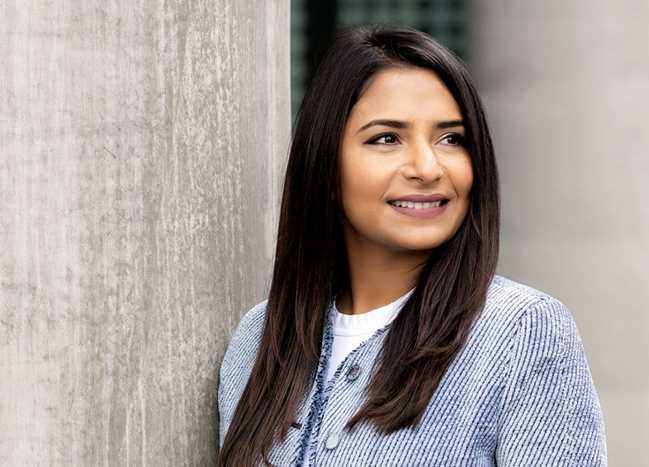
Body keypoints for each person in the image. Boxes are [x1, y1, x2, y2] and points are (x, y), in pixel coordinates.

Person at [217, 24, 607, 467]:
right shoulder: (258, 338)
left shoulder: (520, 332)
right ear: (324, 163)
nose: (427, 167)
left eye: (451, 139)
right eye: (387, 138)